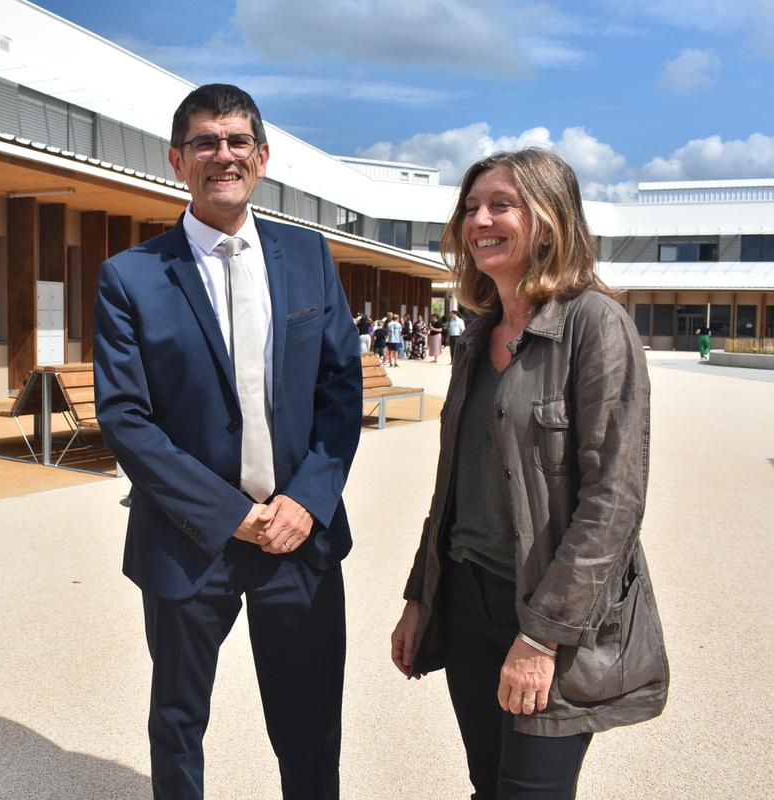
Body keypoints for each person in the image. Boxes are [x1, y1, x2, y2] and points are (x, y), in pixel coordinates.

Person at [94, 83, 362, 800]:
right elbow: (125, 418)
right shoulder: (130, 277)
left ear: (262, 157)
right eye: (205, 143)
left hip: (299, 533)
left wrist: (308, 499)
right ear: (177, 160)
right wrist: (229, 515)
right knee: (178, 723)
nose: (223, 155)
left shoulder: (308, 256)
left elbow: (341, 389)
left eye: (238, 140)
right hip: (190, 537)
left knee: (310, 725)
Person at [389, 148, 668, 799]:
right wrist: (420, 596)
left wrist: (541, 637)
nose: (478, 220)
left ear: (548, 220)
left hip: (550, 610)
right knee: (486, 785)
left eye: (500, 205)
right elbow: (451, 487)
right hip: (466, 598)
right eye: (470, 207)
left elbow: (614, 502)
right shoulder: (477, 335)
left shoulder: (595, 325)